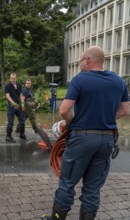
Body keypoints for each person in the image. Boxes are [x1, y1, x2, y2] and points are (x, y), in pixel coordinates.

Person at [42, 46, 129, 220]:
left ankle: (56, 219)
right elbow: (126, 109)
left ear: (88, 60)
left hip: (82, 138)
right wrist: (103, 117)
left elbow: (64, 110)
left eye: (81, 60)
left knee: (67, 182)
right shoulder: (118, 81)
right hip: (107, 140)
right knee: (93, 187)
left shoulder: (80, 79)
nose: (81, 63)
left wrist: (72, 122)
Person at [5, 72, 26, 142]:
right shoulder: (7, 86)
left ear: (16, 78)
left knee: (22, 121)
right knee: (10, 122)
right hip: (11, 106)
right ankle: (8, 136)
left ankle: (22, 135)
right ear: (10, 78)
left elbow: (21, 95)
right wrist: (14, 104)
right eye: (11, 78)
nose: (13, 80)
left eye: (14, 78)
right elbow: (8, 96)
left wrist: (22, 105)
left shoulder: (19, 85)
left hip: (19, 105)